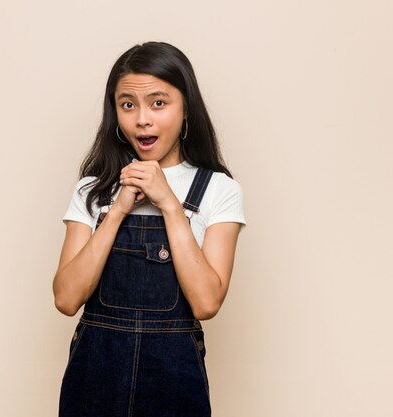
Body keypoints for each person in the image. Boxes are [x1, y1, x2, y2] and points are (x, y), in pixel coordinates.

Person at [52, 41, 246, 417]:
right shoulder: (93, 189)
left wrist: (170, 205)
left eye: (158, 103)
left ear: (186, 107)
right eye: (128, 104)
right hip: (95, 377)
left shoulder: (220, 190)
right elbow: (66, 298)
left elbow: (207, 303)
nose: (142, 119)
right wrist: (119, 208)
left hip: (173, 382)